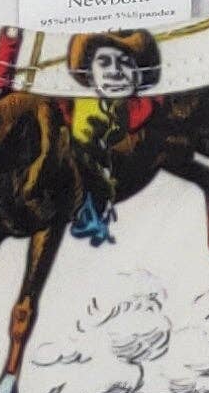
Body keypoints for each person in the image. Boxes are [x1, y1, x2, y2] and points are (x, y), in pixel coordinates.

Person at [63, 26, 161, 244]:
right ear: (90, 75)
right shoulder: (87, 108)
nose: (115, 72)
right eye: (105, 63)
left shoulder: (134, 108)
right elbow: (85, 147)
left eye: (125, 63)